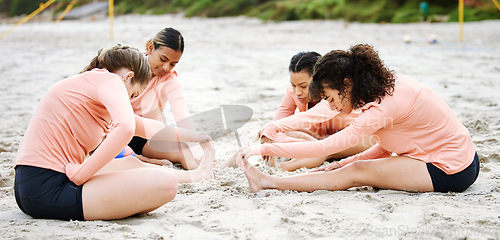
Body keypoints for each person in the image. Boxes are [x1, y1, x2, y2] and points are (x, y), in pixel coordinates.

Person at [236, 44, 479, 193]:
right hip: (461, 158)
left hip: (450, 170)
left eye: (330, 98)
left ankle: (268, 182)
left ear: (347, 85)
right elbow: (387, 146)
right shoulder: (383, 86)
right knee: (349, 166)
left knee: (357, 172)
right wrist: (341, 163)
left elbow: (325, 146)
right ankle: (275, 179)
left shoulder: (382, 108)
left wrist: (262, 148)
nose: (330, 105)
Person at [14, 44, 215, 221]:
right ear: (128, 77)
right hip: (48, 188)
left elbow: (149, 128)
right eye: (133, 94)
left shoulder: (91, 85)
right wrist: (81, 175)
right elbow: (126, 128)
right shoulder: (110, 81)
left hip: (32, 185)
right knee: (167, 184)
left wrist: (198, 138)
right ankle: (195, 175)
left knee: (132, 163)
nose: (129, 101)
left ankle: (198, 175)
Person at [244, 51, 374, 171]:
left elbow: (312, 116)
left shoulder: (334, 94)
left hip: (362, 139)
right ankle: (310, 147)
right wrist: (295, 139)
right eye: (293, 85)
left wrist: (304, 142)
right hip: (321, 138)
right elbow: (280, 124)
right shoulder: (293, 93)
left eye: (304, 86)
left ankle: (280, 169)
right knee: (282, 131)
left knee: (324, 149)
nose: (297, 92)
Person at [129, 27, 202, 169]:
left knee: (184, 151)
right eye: (163, 59)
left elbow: (183, 118)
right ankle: (138, 159)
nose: (166, 67)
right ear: (151, 48)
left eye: (173, 63)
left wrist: (198, 153)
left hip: (147, 138)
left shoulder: (170, 80)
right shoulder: (128, 66)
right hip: (116, 132)